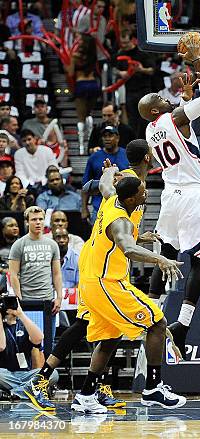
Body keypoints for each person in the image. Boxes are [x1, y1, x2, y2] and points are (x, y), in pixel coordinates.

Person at [25, 141, 156, 412]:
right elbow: (94, 191)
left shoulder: (133, 185)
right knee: (94, 326)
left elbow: (115, 216)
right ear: (147, 156)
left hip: (104, 261)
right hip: (100, 267)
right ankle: (43, 382)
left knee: (101, 328)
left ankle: (90, 390)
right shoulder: (130, 183)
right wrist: (107, 175)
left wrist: (137, 235)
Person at [69, 174, 184, 414]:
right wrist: (160, 258)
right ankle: (153, 388)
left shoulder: (111, 197)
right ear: (131, 198)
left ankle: (86, 396)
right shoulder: (120, 221)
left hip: (92, 279)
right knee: (157, 322)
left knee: (110, 338)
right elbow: (128, 249)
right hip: (106, 282)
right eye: (143, 192)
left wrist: (108, 171)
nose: (146, 194)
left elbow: (103, 183)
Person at [139, 51, 200, 358]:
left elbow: (183, 127)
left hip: (170, 196)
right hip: (194, 195)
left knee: (167, 254)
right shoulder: (175, 118)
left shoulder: (150, 129)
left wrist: (185, 98)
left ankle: (151, 312)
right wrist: (199, 65)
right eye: (160, 95)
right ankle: (182, 327)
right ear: (157, 108)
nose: (165, 94)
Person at [8, 206, 63, 346]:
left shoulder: (52, 244)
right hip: (27, 300)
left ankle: (46, 368)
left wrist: (59, 297)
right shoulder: (18, 245)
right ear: (27, 222)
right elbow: (13, 274)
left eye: (40, 219)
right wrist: (19, 298)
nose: (38, 222)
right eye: (34, 219)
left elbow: (56, 273)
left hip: (47, 300)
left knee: (48, 342)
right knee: (28, 343)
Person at [0, 300, 59, 401]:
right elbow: (1, 346)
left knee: (53, 373)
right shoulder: (1, 326)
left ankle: (15, 392)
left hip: (26, 374)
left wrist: (21, 314)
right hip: (5, 374)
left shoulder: (24, 325)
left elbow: (39, 338)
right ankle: (29, 390)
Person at [82, 124, 130, 223]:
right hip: (99, 207)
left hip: (123, 206)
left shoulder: (127, 155)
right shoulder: (94, 157)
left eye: (110, 135)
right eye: (105, 136)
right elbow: (86, 184)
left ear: (117, 138)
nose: (107, 138)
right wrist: (84, 208)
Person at [67, 34, 100, 152]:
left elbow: (70, 73)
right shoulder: (93, 56)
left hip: (81, 85)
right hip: (93, 84)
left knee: (81, 117)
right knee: (89, 114)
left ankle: (81, 146)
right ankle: (90, 143)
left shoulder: (75, 56)